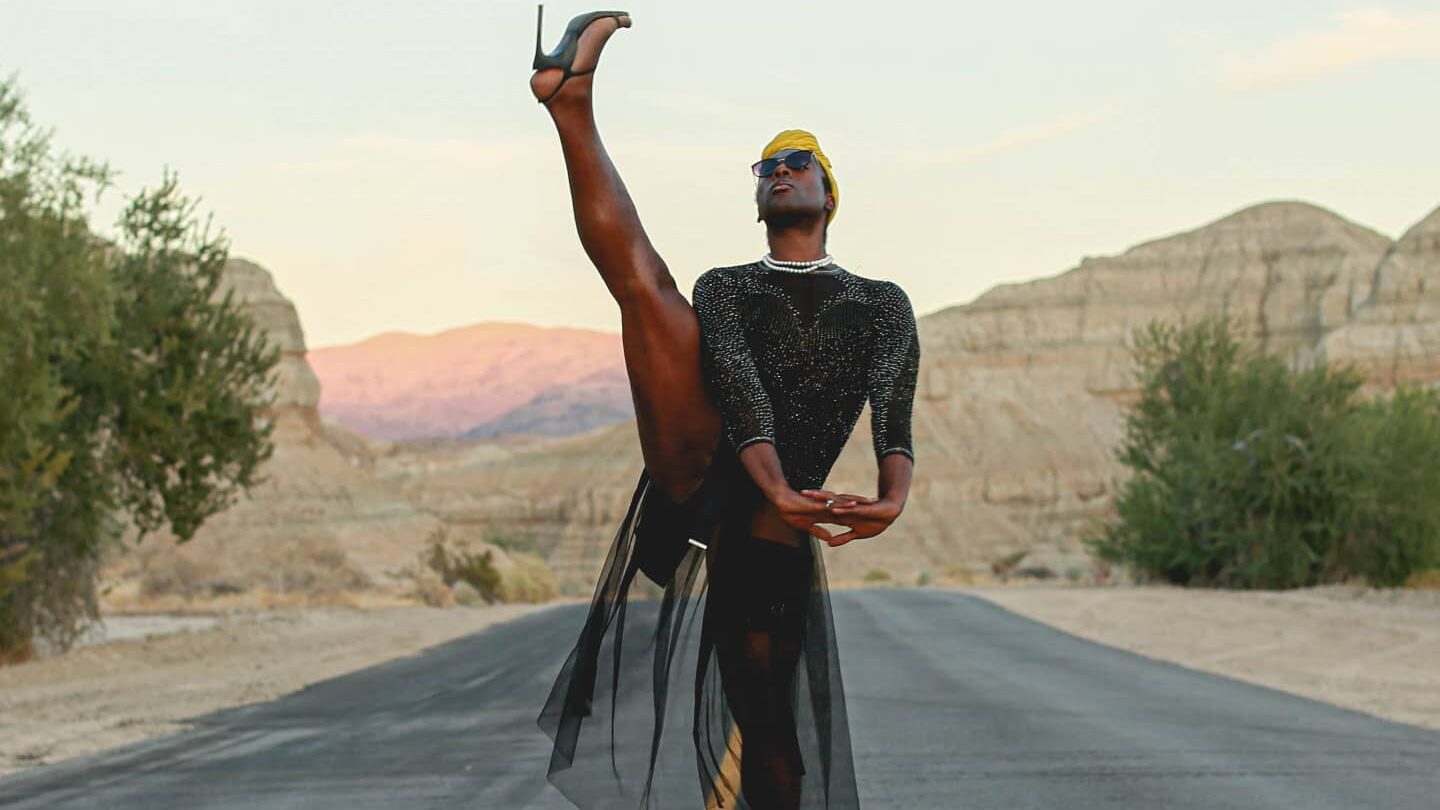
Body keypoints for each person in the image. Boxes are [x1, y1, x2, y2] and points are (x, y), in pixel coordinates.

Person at [529, 7, 920, 809]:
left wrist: (892, 496)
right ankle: (572, 105)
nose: (778, 170)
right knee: (649, 293)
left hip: (774, 516)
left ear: (829, 191)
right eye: (764, 166)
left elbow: (893, 415)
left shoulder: (882, 304)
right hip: (707, 462)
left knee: (770, 723)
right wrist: (774, 486)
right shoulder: (726, 287)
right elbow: (740, 391)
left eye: (797, 160)